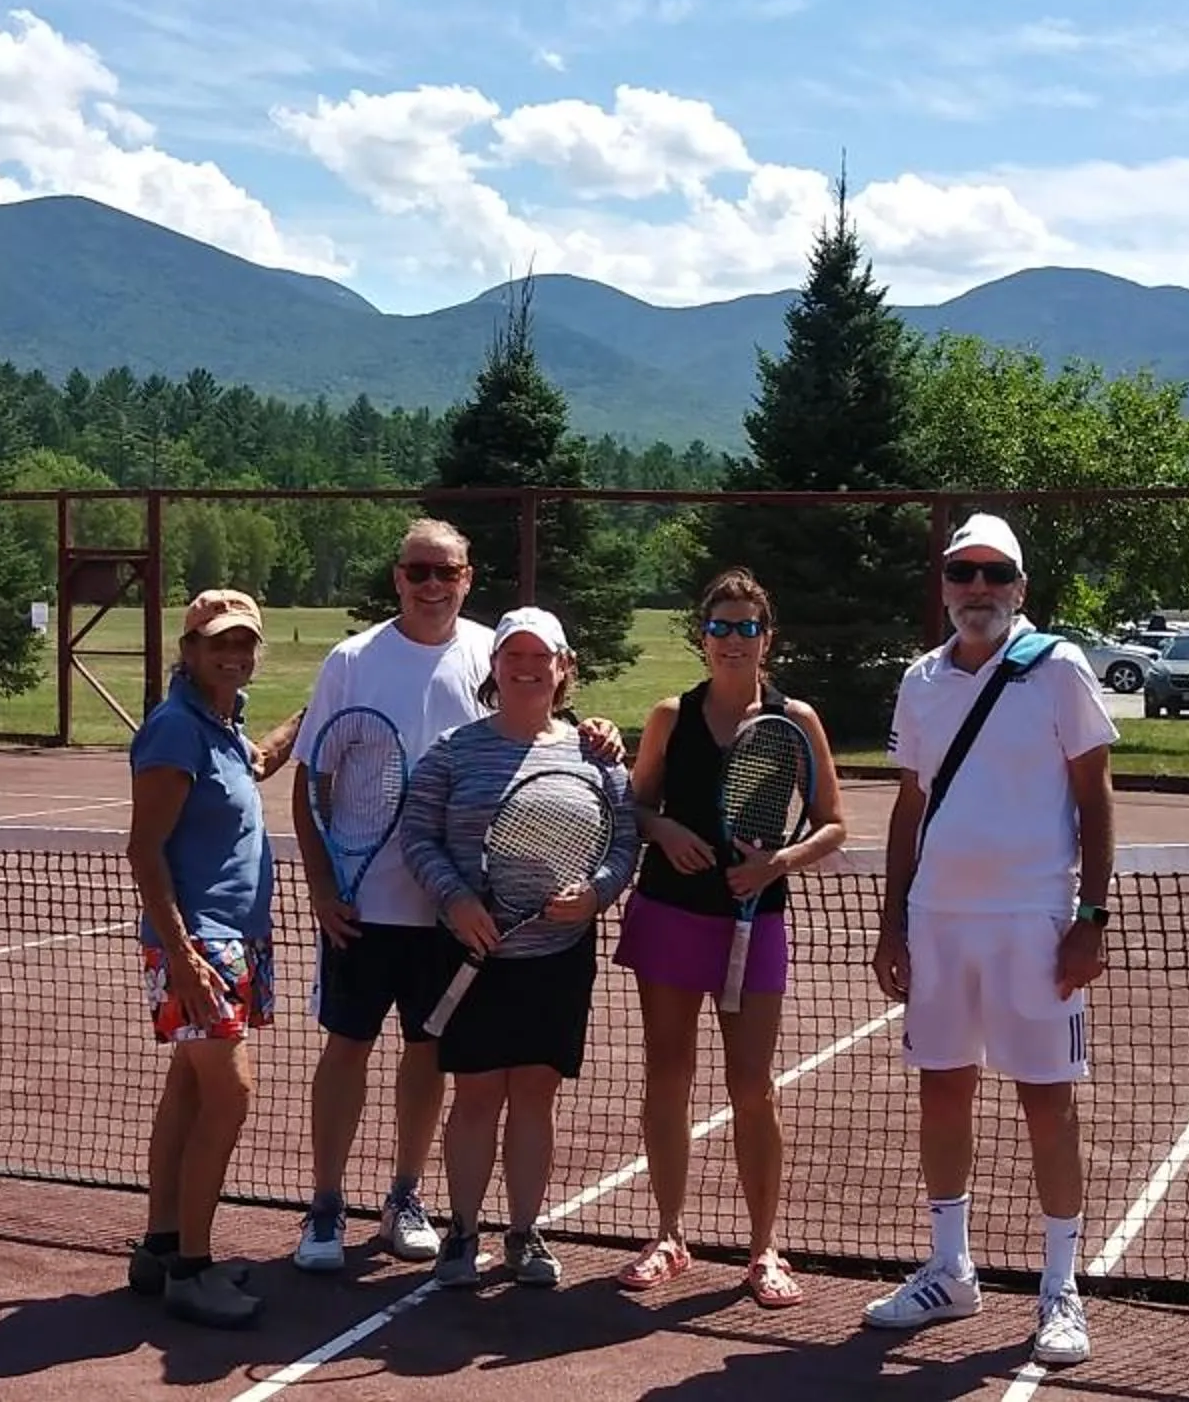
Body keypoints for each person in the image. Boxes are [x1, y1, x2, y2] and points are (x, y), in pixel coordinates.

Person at [285, 518, 622, 1273]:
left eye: (447, 572)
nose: (431, 585)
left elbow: (534, 736)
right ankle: (325, 1204)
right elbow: (313, 784)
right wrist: (318, 886)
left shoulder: (491, 651)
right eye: (417, 571)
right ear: (397, 577)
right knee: (347, 1048)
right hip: (363, 905)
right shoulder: (352, 660)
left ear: (469, 577)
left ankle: (405, 1195)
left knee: (429, 1057)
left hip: (458, 921)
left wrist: (596, 732)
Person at [863, 513, 1116, 1367]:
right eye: (962, 573)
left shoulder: (1059, 669)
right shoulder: (922, 680)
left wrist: (1091, 918)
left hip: (1035, 924)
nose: (977, 589)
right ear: (944, 586)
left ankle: (1059, 1288)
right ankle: (950, 1270)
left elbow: (1095, 798)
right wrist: (894, 920)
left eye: (993, 574)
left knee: (1047, 1102)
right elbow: (910, 806)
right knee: (943, 1090)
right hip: (939, 923)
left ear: (1020, 588)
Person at [611, 567, 847, 1307]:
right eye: (721, 627)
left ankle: (764, 1249)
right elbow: (635, 807)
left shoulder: (796, 719)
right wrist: (665, 829)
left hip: (757, 921)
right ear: (702, 637)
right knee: (668, 1072)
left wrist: (778, 861)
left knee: (751, 1084)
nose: (734, 639)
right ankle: (670, 1234)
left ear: (767, 638)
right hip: (670, 915)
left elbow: (833, 823)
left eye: (748, 627)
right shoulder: (667, 717)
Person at [398, 606, 641, 1289]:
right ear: (496, 667)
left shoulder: (596, 756)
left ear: (564, 669)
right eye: (515, 657)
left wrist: (597, 894)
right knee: (475, 1098)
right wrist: (457, 899)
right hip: (473, 954)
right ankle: (464, 1232)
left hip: (557, 958)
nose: (528, 669)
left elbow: (624, 841)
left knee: (535, 1098)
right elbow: (418, 835)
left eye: (542, 658)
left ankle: (524, 1233)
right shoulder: (454, 750)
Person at [123, 588, 284, 1330]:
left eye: (244, 642)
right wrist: (183, 956)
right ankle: (193, 1268)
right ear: (188, 651)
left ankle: (161, 1248)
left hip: (230, 939)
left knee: (187, 1092)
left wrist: (327, 705)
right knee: (232, 1092)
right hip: (199, 945)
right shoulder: (175, 730)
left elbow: (261, 760)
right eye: (219, 641)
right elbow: (144, 850)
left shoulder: (222, 722)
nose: (234, 653)